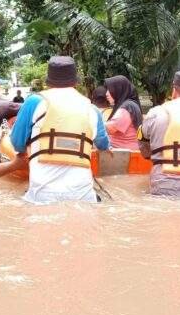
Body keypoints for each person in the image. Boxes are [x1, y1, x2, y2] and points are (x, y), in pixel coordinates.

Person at [10, 56, 111, 204]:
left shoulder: (34, 102)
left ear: (48, 82)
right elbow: (103, 144)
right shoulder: (92, 108)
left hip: (41, 195)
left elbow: (17, 143)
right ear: (76, 82)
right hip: (83, 195)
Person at [104, 75, 143, 149]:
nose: (106, 94)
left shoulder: (127, 108)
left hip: (124, 154)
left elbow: (110, 128)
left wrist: (93, 123)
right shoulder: (130, 105)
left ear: (119, 90)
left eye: (110, 90)